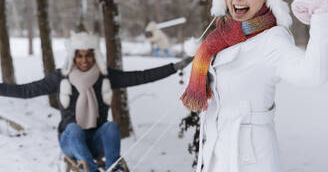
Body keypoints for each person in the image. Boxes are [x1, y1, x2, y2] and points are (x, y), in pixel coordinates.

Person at [180, 0, 328, 172]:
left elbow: (314, 75)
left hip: (249, 160)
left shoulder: (271, 39)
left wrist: (323, 19)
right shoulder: (222, 37)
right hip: (216, 156)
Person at [0, 31, 192, 172]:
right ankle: (89, 169)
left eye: (89, 55)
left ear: (95, 55)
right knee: (74, 128)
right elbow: (25, 91)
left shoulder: (104, 76)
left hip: (97, 140)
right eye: (80, 55)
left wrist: (174, 67)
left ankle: (113, 167)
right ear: (73, 56)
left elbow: (140, 77)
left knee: (110, 126)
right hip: (71, 142)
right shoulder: (61, 77)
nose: (84, 60)